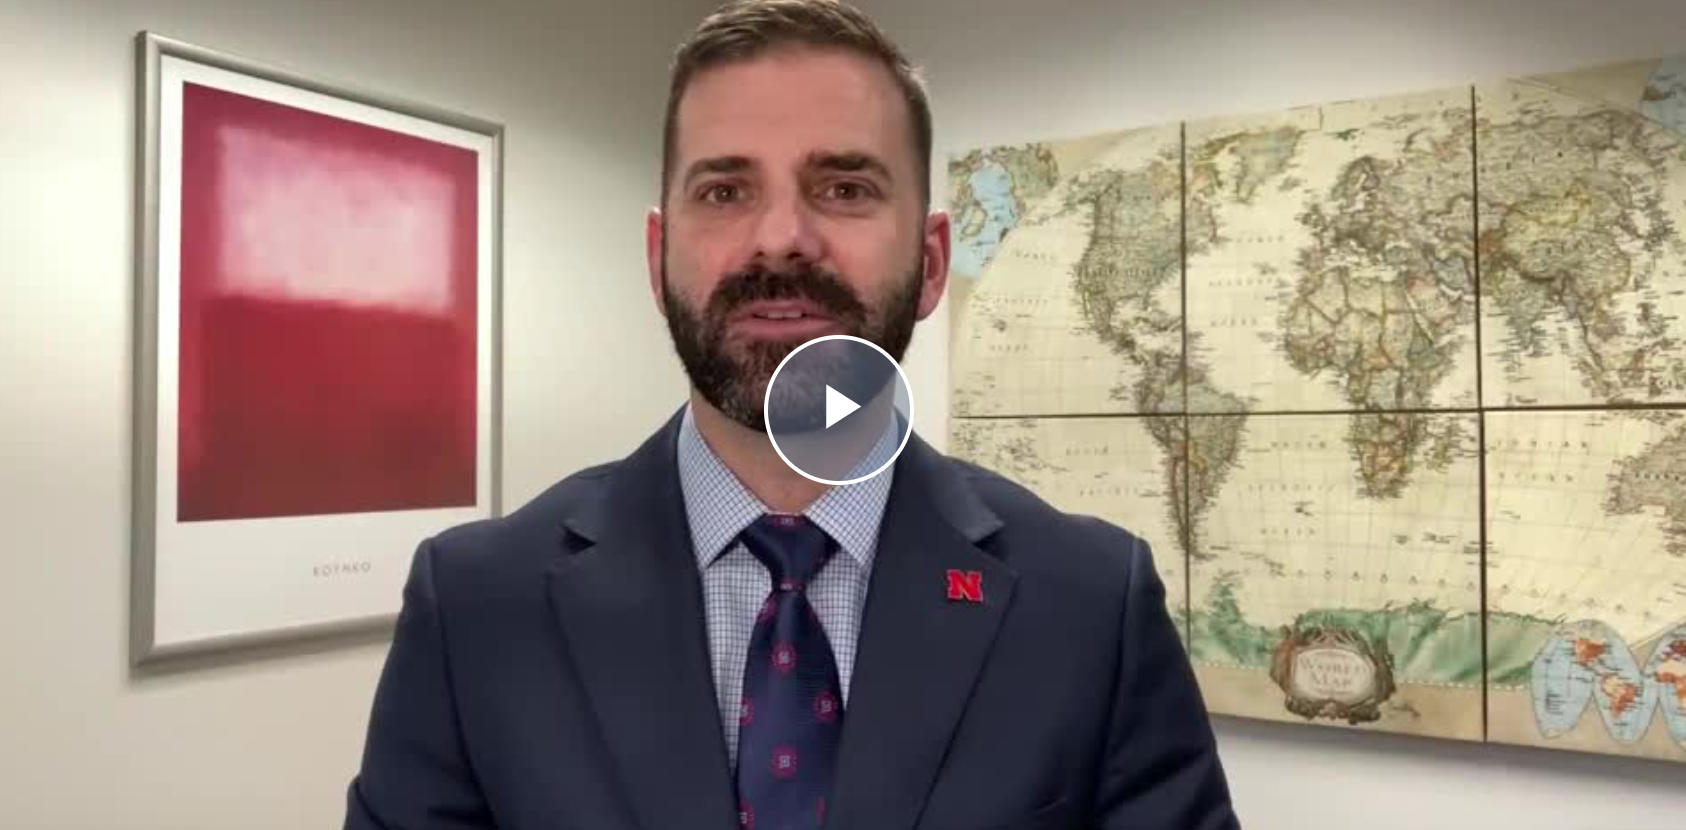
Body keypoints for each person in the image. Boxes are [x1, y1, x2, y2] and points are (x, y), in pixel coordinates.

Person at [342, 1, 1241, 828]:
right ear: (659, 257)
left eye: (844, 188)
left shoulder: (1091, 605)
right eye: (725, 191)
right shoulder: (476, 607)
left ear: (932, 263)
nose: (780, 240)